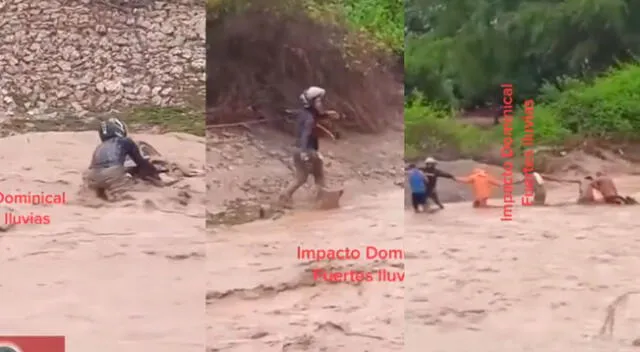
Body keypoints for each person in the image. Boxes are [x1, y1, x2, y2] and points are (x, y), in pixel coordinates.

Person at [83, 117, 160, 201]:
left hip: (92, 176)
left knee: (101, 192)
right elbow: (141, 162)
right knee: (132, 194)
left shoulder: (99, 147)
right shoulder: (125, 141)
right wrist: (155, 175)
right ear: (119, 129)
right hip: (113, 173)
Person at [280, 86, 330, 204]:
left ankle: (284, 197)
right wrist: (304, 152)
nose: (320, 103)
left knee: (300, 178)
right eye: (318, 101)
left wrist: (327, 114)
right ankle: (321, 200)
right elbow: (305, 134)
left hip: (296, 150)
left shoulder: (303, 113)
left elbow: (317, 115)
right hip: (308, 150)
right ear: (312, 102)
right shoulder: (310, 119)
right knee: (319, 175)